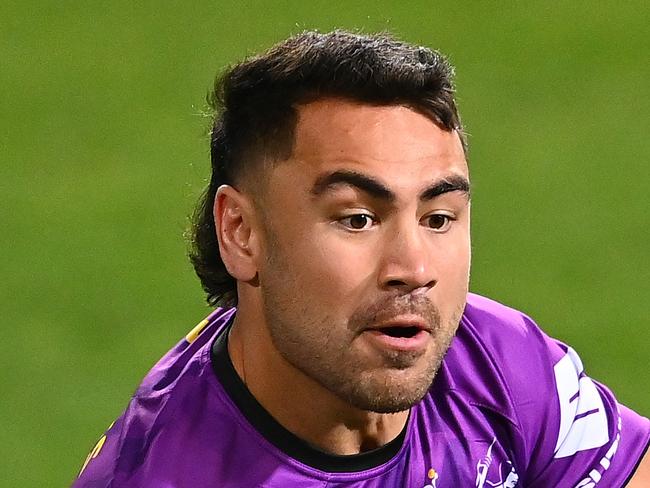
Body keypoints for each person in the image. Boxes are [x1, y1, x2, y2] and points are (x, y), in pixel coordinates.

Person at [73, 30, 649, 487]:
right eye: (358, 219)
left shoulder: (497, 363)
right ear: (242, 233)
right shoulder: (160, 474)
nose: (414, 268)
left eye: (437, 218)